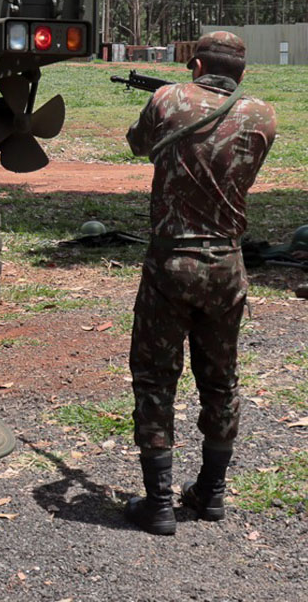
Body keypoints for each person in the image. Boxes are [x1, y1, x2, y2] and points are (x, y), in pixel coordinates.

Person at [123, 31, 276, 535]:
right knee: (220, 379)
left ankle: (159, 504)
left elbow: (139, 143)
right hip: (227, 266)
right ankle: (210, 494)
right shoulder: (263, 116)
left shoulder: (166, 99)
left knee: (154, 377)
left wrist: (172, 98)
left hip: (171, 261)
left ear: (193, 63)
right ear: (242, 74)